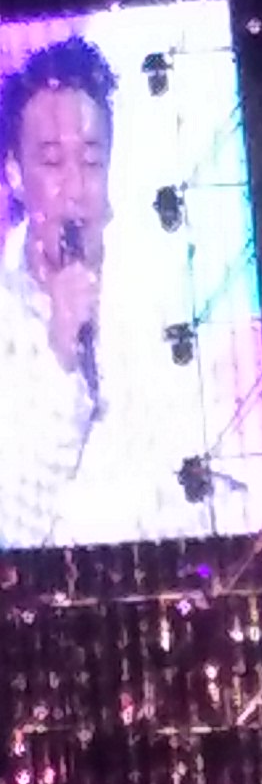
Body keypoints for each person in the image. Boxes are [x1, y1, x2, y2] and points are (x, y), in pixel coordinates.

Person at [0, 34, 118, 548]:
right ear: (15, 173)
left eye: (91, 162)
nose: (75, 187)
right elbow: (11, 524)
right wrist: (59, 354)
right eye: (51, 163)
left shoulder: (165, 290)